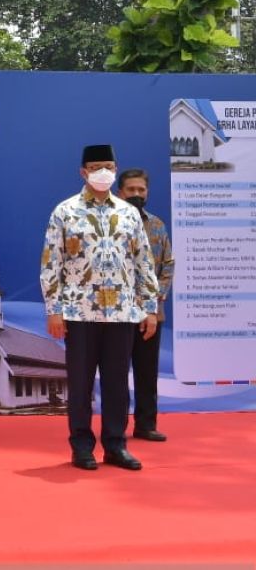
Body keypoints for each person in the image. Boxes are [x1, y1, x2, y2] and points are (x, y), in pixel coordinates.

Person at [40, 145, 160, 472]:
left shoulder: (128, 213)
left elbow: (143, 263)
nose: (103, 172)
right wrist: (54, 310)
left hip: (122, 312)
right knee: (80, 383)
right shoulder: (65, 212)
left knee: (117, 383)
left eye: (108, 166)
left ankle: (115, 445)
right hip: (80, 313)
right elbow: (52, 264)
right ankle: (81, 445)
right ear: (83, 172)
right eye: (96, 167)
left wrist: (149, 307)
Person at [118, 168, 175, 442]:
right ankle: (115, 427)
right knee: (116, 373)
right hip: (118, 313)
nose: (137, 195)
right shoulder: (111, 224)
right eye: (131, 190)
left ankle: (146, 425)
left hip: (152, 314)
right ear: (121, 192)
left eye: (141, 190)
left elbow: (168, 265)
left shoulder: (157, 226)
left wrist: (153, 300)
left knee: (147, 372)